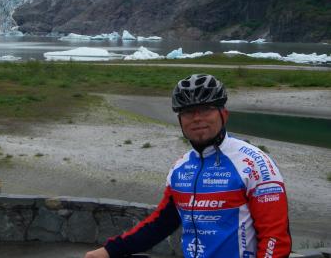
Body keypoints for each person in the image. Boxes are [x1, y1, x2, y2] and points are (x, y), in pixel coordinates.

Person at [85, 74, 291, 258]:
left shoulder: (255, 163)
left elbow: (275, 238)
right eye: (188, 112)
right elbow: (160, 224)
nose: (197, 118)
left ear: (224, 114)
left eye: (206, 109)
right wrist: (109, 251)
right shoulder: (180, 168)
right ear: (180, 120)